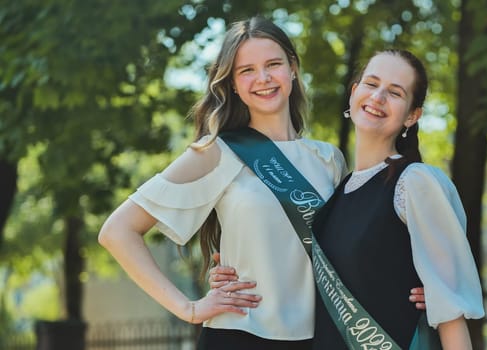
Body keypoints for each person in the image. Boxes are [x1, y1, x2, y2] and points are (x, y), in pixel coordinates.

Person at [98, 16, 424, 349]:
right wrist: (189, 308)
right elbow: (117, 231)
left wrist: (418, 286)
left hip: (316, 338)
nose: (263, 78)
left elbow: (357, 249)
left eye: (273, 64)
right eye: (246, 70)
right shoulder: (217, 152)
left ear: (292, 68)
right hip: (239, 335)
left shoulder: (329, 160)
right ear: (233, 84)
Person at [310, 50, 485, 349]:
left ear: (412, 115)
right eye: (371, 84)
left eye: (394, 92)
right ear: (354, 93)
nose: (378, 97)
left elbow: (450, 311)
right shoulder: (336, 192)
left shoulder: (415, 183)